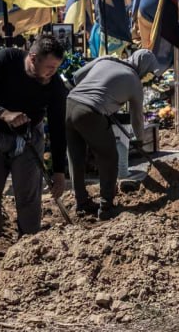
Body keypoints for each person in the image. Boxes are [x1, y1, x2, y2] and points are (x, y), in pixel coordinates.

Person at [0, 35, 68, 269]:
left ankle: (27, 246)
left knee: (28, 192)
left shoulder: (55, 86)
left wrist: (59, 171)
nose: (52, 73)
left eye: (56, 68)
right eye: (49, 67)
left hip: (29, 135)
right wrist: (4, 113)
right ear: (33, 58)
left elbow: (58, 128)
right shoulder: (5, 60)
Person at [65, 50, 161, 220]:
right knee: (109, 157)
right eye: (148, 72)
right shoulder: (134, 80)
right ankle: (106, 206)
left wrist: (101, 93)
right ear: (144, 67)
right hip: (90, 112)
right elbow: (137, 117)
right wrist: (139, 139)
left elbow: (77, 77)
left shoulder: (106, 59)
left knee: (76, 157)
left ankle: (81, 203)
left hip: (69, 105)